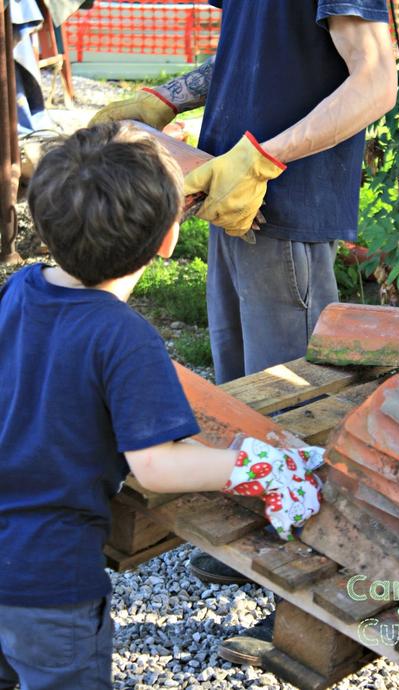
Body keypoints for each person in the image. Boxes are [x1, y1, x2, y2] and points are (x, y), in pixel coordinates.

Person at [91, 0, 398, 663]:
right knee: (243, 395)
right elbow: (253, 58)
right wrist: (163, 99)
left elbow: (376, 81)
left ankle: (312, 594)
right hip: (234, 197)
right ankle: (258, 543)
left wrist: (263, 160)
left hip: (278, 201)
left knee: (298, 414)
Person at [0, 121, 325, 689]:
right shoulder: (123, 337)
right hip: (47, 582)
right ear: (168, 241)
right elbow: (157, 463)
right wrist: (258, 464)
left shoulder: (18, 290)